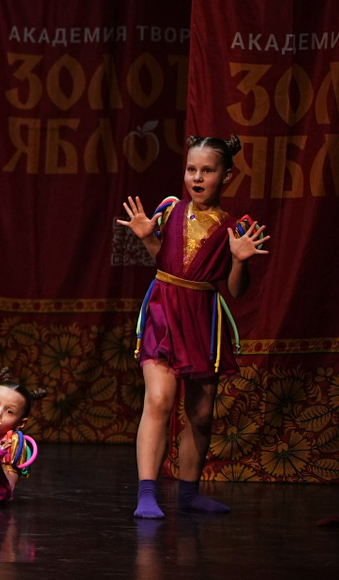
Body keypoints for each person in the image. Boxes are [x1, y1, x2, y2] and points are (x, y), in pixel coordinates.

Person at [119, 135, 269, 519]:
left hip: (202, 317)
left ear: (227, 176)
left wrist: (240, 261)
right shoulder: (170, 209)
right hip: (164, 310)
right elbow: (164, 260)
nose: (197, 178)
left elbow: (236, 290)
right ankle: (147, 494)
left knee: (201, 414)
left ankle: (188, 492)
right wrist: (147, 239)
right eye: (191, 169)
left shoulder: (235, 227)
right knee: (159, 400)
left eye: (207, 171)